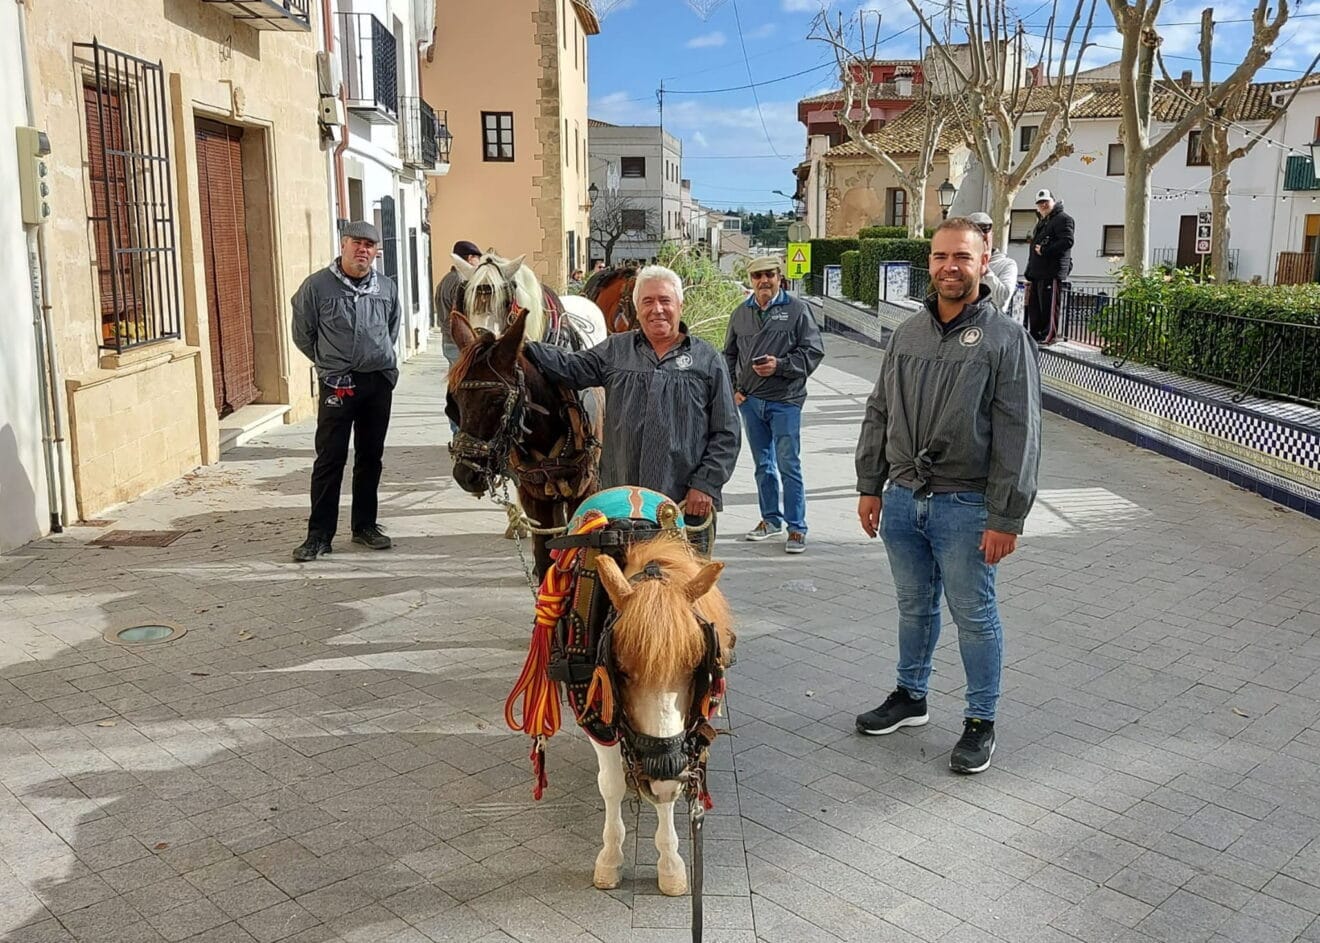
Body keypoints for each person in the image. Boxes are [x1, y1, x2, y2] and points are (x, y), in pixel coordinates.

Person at [853, 217, 1041, 774]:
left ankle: (980, 721)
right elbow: (879, 409)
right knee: (914, 608)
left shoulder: (1007, 340)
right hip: (904, 499)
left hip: (967, 506)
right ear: (929, 263)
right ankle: (911, 696)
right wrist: (870, 484)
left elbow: (1020, 433)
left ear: (984, 263)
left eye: (961, 257)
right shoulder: (908, 333)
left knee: (974, 615)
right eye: (939, 257)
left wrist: (1007, 515)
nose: (949, 267)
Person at [523, 264, 740, 555]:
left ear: (680, 305)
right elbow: (570, 368)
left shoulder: (707, 359)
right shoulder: (615, 350)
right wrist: (523, 345)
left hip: (683, 504)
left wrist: (706, 485)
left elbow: (727, 432)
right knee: (621, 591)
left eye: (665, 300)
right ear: (636, 309)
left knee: (684, 595)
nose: (657, 309)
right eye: (648, 302)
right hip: (621, 504)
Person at [291, 221, 402, 562]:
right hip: (337, 384)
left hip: (377, 383)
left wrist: (379, 367)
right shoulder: (316, 287)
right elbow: (303, 334)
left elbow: (391, 329)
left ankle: (365, 526)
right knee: (330, 458)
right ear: (343, 244)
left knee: (370, 458)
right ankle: (319, 535)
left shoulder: (386, 288)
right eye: (357, 243)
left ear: (376, 251)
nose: (363, 250)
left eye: (369, 245)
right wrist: (329, 364)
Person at [723, 255, 824, 554]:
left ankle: (796, 528)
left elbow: (813, 351)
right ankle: (770, 520)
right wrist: (734, 391)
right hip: (750, 403)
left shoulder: (797, 310)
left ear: (779, 277)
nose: (763, 281)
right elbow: (728, 355)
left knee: (788, 464)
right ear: (750, 281)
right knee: (762, 466)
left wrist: (779, 365)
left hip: (785, 402)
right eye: (757, 276)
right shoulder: (740, 314)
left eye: (769, 275)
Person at [436, 240, 481, 434]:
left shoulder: (446, 280)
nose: (478, 264)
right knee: (465, 388)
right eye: (477, 259)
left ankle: (457, 430)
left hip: (448, 341)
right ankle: (460, 431)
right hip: (459, 344)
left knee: (458, 384)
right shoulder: (461, 283)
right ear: (469, 259)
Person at [1023, 189, 1074, 344]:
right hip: (1038, 273)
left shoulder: (1063, 219)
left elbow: (1067, 241)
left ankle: (1048, 336)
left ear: (1053, 201)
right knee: (1036, 307)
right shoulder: (1043, 222)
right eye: (1040, 203)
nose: (1043, 205)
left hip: (1051, 272)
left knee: (1049, 307)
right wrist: (1029, 271)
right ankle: (1036, 334)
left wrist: (1045, 250)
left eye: (1046, 201)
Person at [967, 212, 1019, 315]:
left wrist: (985, 269)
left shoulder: (1007, 265)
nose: (981, 235)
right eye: (975, 232)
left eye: (985, 230)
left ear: (991, 235)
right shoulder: (959, 263)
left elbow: (1001, 301)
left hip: (992, 325)